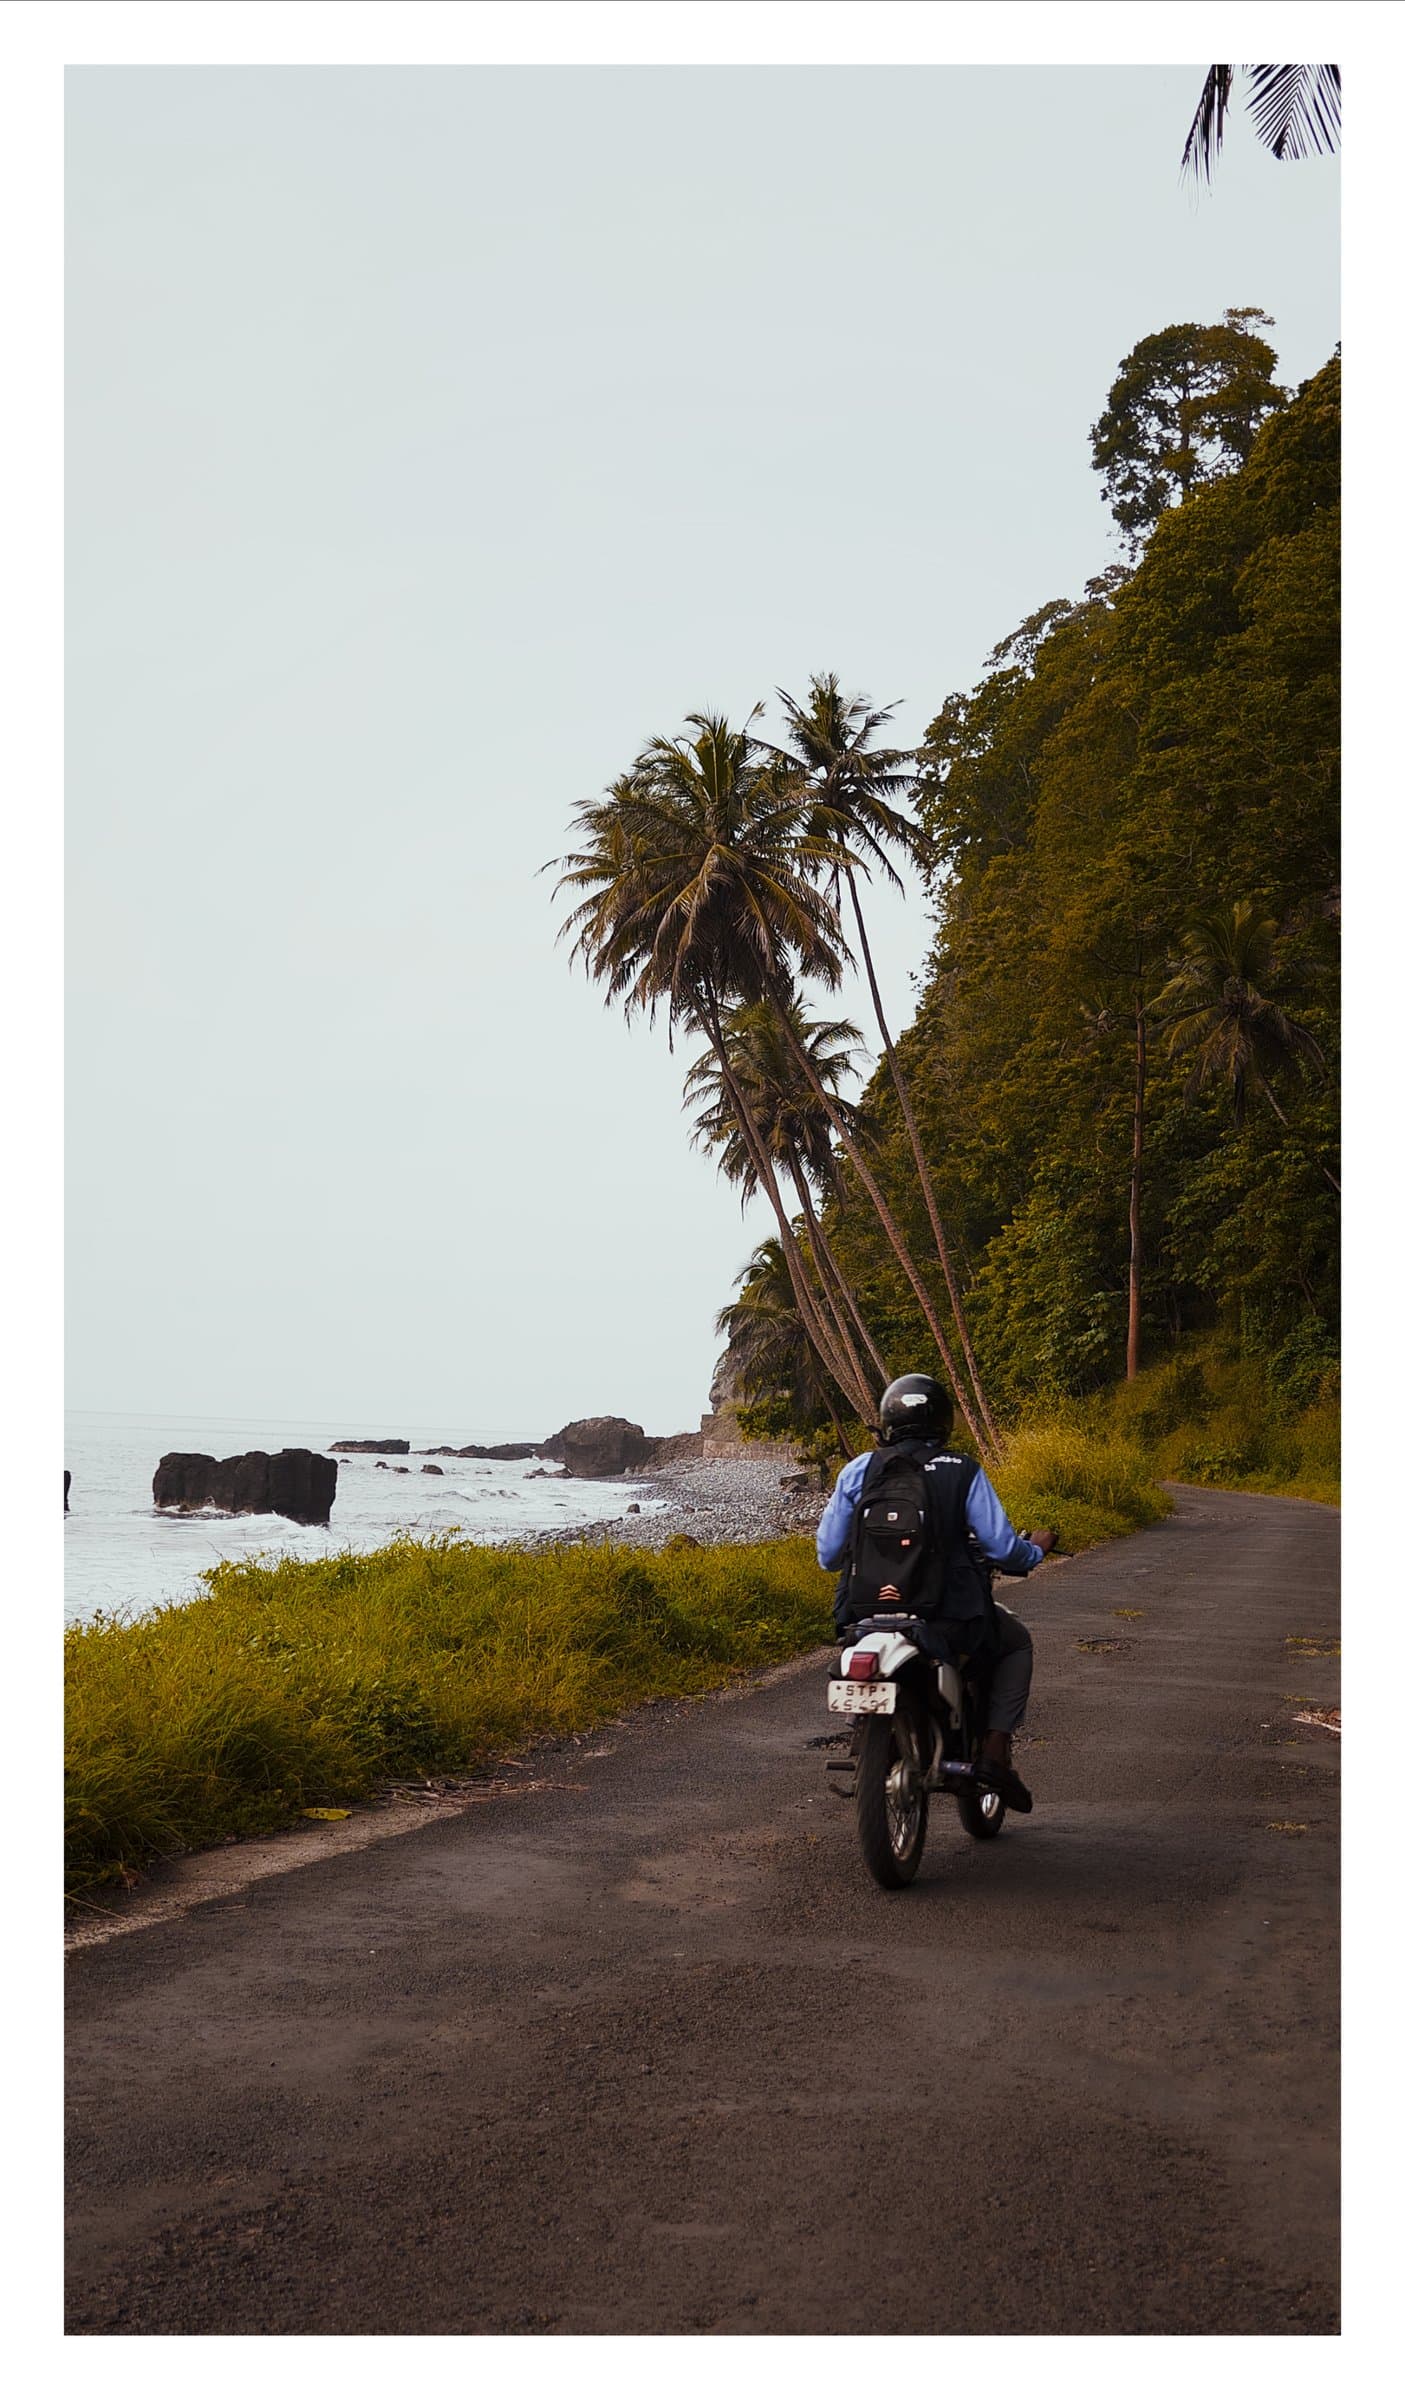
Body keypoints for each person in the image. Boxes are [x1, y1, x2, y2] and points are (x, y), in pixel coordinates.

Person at [816, 1371, 1054, 1812]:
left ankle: (863, 1730)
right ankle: (995, 1751)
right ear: (942, 1421)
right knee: (1016, 1643)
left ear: (888, 1420)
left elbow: (829, 1556)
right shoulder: (961, 1470)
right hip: (946, 1616)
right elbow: (1002, 1547)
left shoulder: (857, 1470)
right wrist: (1034, 1551)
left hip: (863, 1615)